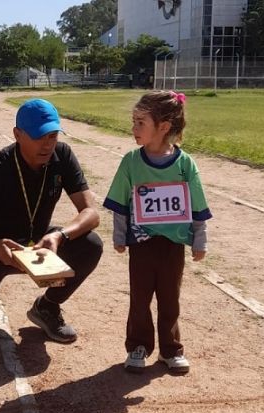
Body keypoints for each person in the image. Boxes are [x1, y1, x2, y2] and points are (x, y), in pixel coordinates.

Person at [0, 98, 103, 343]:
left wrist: (59, 236)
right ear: (17, 134)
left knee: (90, 244)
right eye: (38, 136)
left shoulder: (61, 155)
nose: (47, 144)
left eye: (52, 135)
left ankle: (47, 307)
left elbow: (91, 213)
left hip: (40, 243)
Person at [103, 91, 212, 374]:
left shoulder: (185, 164)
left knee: (170, 299)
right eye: (133, 121)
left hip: (173, 245)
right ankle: (137, 346)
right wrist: (119, 236)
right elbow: (120, 203)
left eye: (141, 122)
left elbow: (198, 205)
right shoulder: (131, 161)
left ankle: (171, 350)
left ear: (163, 127)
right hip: (141, 244)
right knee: (139, 299)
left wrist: (199, 240)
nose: (134, 128)